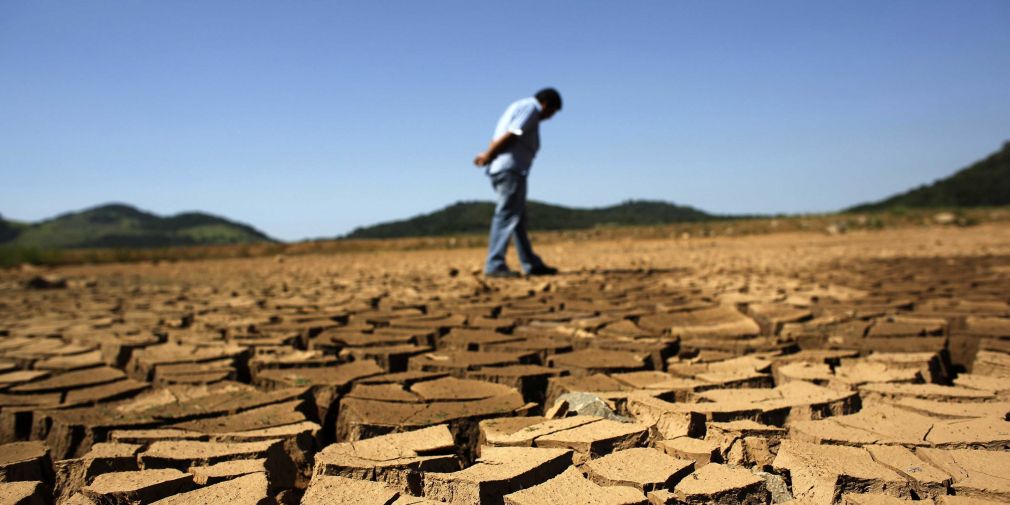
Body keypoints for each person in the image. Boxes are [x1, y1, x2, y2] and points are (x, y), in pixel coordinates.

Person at [473, 88, 562, 278]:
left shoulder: (517, 107)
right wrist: (489, 155)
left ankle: (531, 263)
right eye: (552, 112)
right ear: (546, 104)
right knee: (506, 216)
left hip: (504, 168)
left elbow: (499, 136)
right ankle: (494, 264)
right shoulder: (530, 108)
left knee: (517, 219)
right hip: (510, 170)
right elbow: (513, 133)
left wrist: (489, 154)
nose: (550, 117)